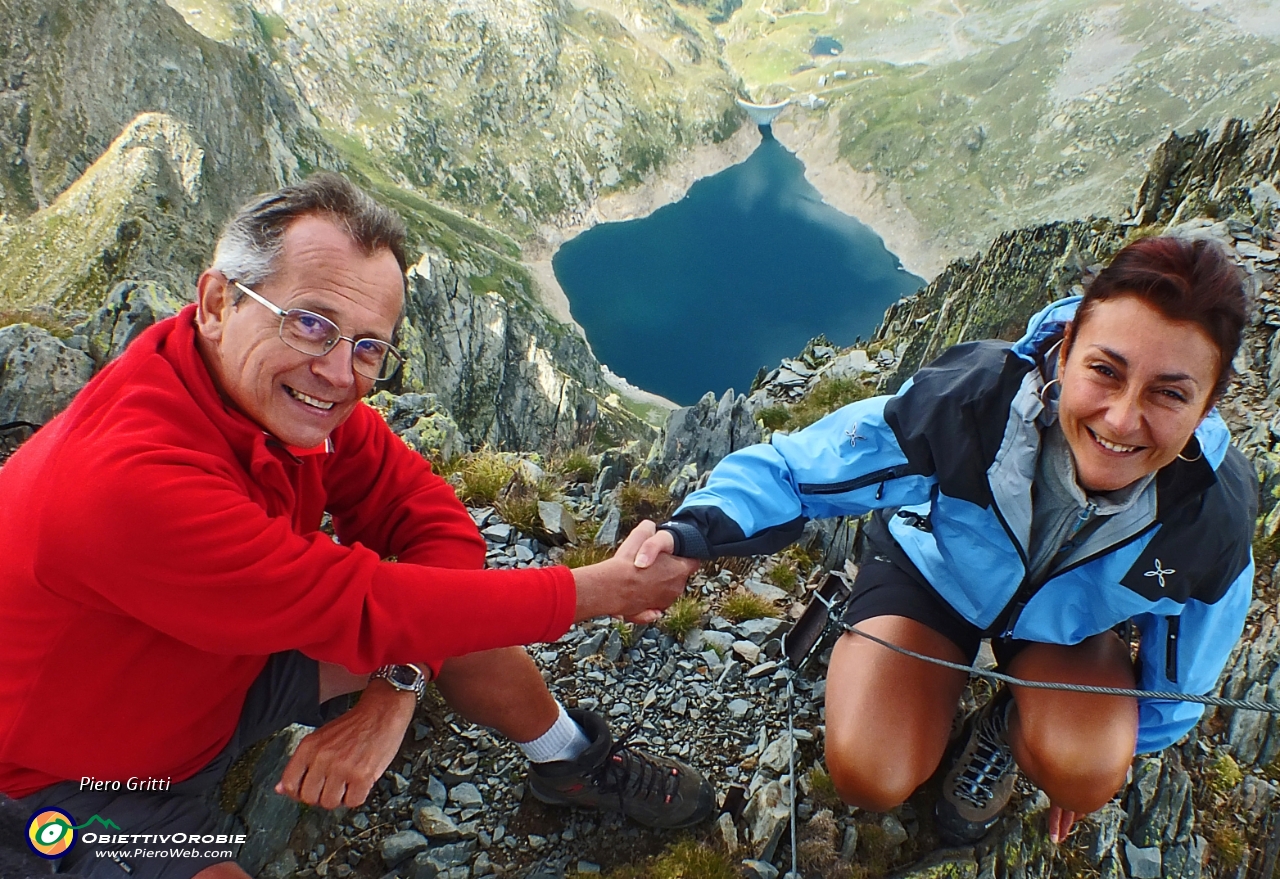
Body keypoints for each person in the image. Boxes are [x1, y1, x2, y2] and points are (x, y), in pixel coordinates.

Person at [0, 173, 712, 879]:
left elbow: (433, 523)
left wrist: (395, 689)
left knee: (462, 618)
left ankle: (568, 759)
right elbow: (367, 603)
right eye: (310, 322)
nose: (339, 372)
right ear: (217, 302)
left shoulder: (283, 402)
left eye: (368, 346)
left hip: (226, 678)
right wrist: (604, 589)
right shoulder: (130, 478)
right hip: (71, 781)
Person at [634, 236, 1256, 844]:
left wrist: (1098, 753)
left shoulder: (1210, 515)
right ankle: (902, 666)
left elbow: (1186, 660)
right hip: (931, 575)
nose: (1122, 418)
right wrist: (694, 532)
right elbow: (805, 467)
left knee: (1087, 773)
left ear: (1208, 404)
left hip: (1064, 631)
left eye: (1169, 393)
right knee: (868, 774)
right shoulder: (974, 402)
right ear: (1065, 355)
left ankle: (1004, 727)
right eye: (1104, 370)